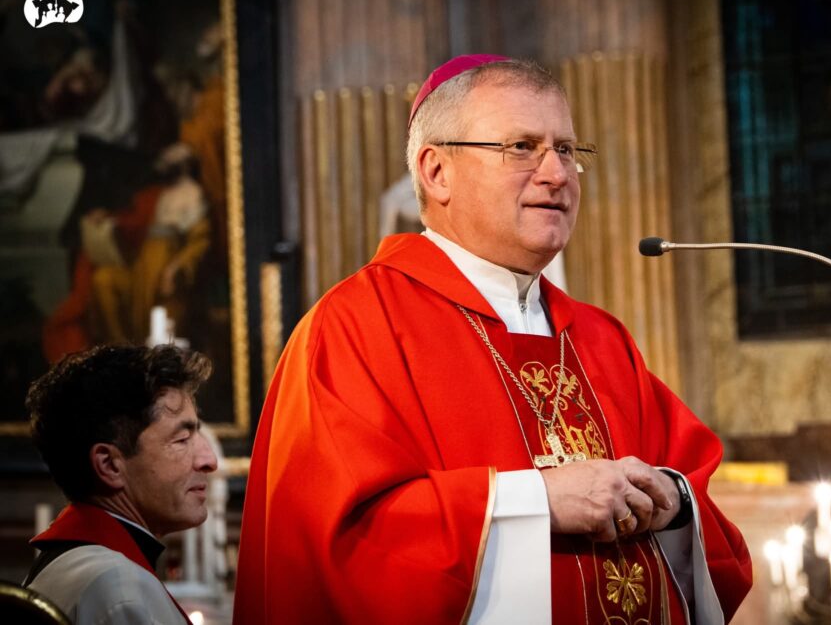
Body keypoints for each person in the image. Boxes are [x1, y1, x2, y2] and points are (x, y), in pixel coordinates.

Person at [235, 55, 752, 624]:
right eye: (522, 147)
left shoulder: (601, 339)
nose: (557, 174)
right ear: (437, 172)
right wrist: (538, 503)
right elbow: (341, 547)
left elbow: (703, 516)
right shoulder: (355, 328)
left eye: (566, 150)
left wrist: (672, 502)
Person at [23, 344, 217, 624]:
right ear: (110, 465)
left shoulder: (75, 568)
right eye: (182, 440)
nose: (209, 460)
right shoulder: (119, 589)